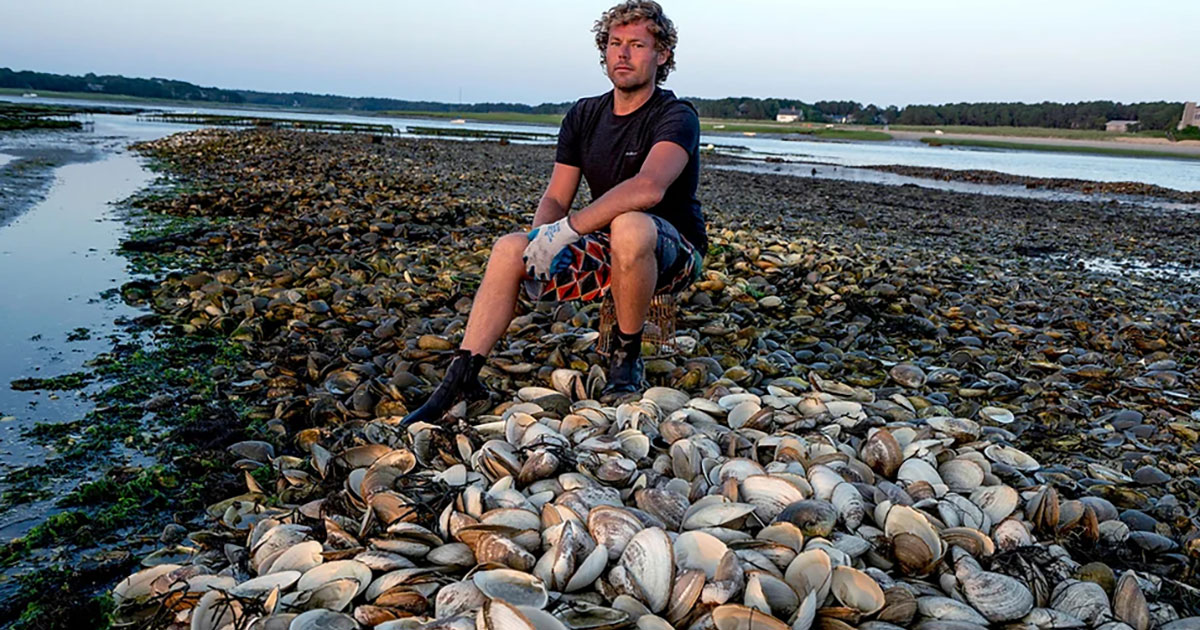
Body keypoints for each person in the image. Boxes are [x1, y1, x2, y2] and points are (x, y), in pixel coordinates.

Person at [401, 0, 706, 426]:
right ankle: (462, 376)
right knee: (509, 248)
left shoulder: (676, 115)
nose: (622, 53)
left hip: (673, 252)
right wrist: (542, 240)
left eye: (637, 44)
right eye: (615, 43)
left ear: (662, 55)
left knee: (631, 224)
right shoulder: (584, 114)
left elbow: (648, 188)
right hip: (606, 245)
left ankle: (626, 357)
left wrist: (567, 231)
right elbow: (558, 197)